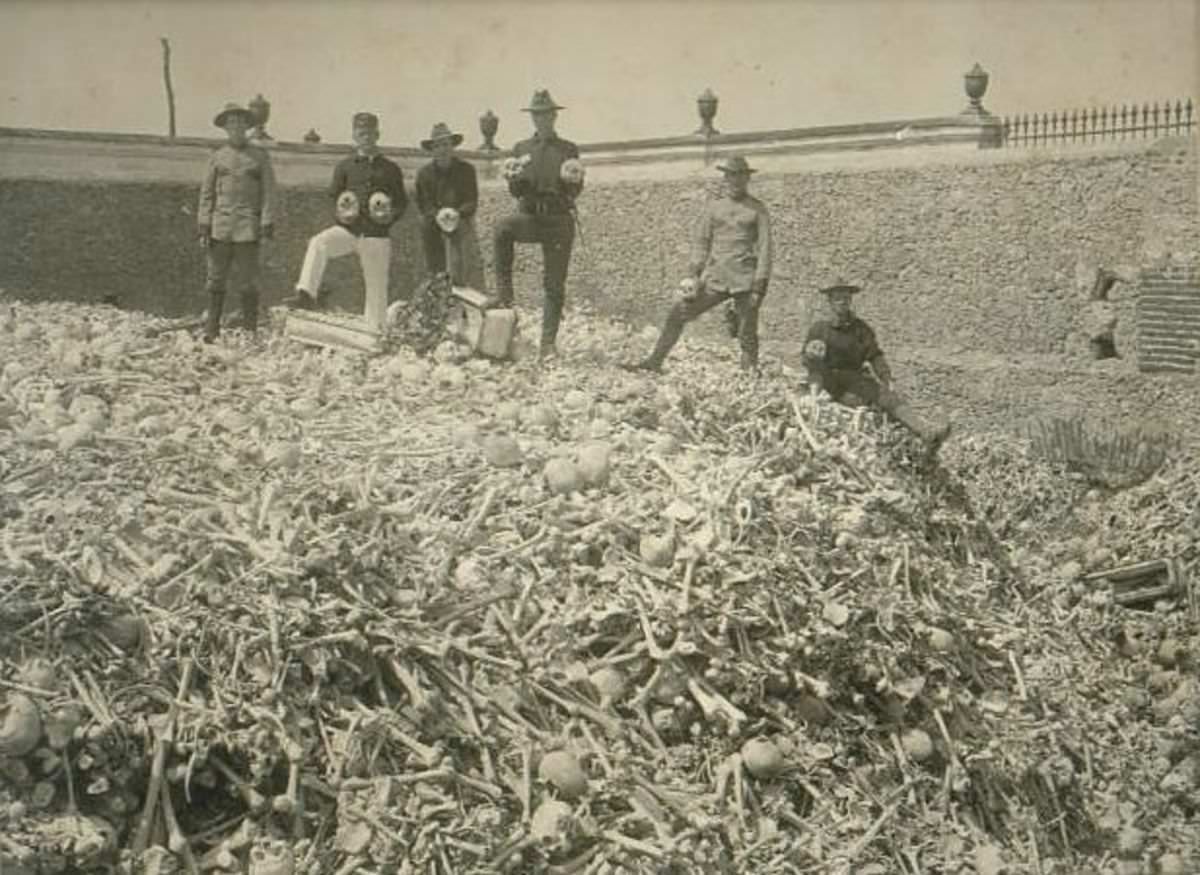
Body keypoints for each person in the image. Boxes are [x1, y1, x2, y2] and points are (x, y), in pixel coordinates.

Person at [623, 155, 771, 373]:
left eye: (740, 177)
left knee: (746, 331)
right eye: (731, 176)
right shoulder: (714, 208)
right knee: (678, 314)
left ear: (747, 179)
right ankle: (654, 362)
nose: (735, 181)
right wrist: (692, 275)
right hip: (715, 278)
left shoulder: (757, 209)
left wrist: (759, 287)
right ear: (725, 179)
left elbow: (766, 249)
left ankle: (749, 375)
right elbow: (702, 243)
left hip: (745, 280)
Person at [291, 112, 407, 331]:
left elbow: (402, 201)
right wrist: (342, 213)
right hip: (349, 231)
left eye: (370, 133)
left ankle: (375, 332)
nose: (366, 137)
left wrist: (389, 217)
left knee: (377, 286)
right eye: (361, 133)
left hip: (377, 234)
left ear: (377, 134)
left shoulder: (390, 168)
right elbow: (333, 196)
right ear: (354, 135)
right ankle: (306, 292)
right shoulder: (345, 166)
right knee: (319, 242)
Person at [803, 283, 951, 453]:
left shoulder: (861, 329)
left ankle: (926, 431)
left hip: (854, 378)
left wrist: (886, 377)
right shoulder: (819, 329)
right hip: (827, 378)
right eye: (837, 299)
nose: (842, 302)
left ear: (850, 300)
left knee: (886, 397)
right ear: (830, 302)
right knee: (833, 398)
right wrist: (811, 355)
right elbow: (808, 359)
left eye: (845, 298)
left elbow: (874, 355)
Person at [493, 89, 585, 359]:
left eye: (546, 115)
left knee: (554, 285)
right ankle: (505, 296)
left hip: (558, 220)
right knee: (502, 228)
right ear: (532, 118)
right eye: (537, 115)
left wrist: (573, 183)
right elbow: (516, 193)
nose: (542, 120)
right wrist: (513, 178)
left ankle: (547, 344)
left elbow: (576, 190)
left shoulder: (568, 149)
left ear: (554, 117)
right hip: (531, 218)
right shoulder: (521, 149)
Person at [197, 102, 276, 343]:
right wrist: (204, 226)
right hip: (220, 228)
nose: (236, 128)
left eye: (241, 123)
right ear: (225, 128)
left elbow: (269, 193)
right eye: (231, 124)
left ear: (247, 126)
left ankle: (250, 330)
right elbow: (207, 193)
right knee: (216, 279)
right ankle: (212, 329)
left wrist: (266, 223)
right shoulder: (217, 157)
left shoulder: (259, 157)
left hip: (247, 229)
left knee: (248, 281)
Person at [415, 122, 485, 289]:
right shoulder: (424, 174)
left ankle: (458, 285)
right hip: (435, 220)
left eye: (446, 144)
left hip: (459, 218)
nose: (443, 150)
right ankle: (436, 280)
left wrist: (457, 214)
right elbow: (424, 204)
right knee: (426, 228)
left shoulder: (467, 170)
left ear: (452, 146)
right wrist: (438, 215)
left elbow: (471, 201)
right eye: (438, 145)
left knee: (456, 244)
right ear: (432, 149)